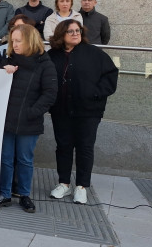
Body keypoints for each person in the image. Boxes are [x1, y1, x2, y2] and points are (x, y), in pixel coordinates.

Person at [48, 20, 118, 204]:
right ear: (61, 35)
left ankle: (81, 187)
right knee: (63, 146)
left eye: (77, 30)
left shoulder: (94, 53)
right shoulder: (52, 55)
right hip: (61, 109)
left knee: (85, 147)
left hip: (88, 111)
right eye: (70, 31)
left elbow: (111, 75)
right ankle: (64, 184)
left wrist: (95, 93)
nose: (75, 34)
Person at [0, 24, 58, 213]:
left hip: (29, 121)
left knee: (25, 159)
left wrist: (32, 112)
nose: (14, 45)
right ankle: (4, 193)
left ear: (30, 40)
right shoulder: (8, 61)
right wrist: (3, 72)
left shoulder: (45, 64)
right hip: (7, 120)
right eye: (12, 41)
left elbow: (50, 93)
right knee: (6, 158)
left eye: (18, 41)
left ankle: (24, 194)